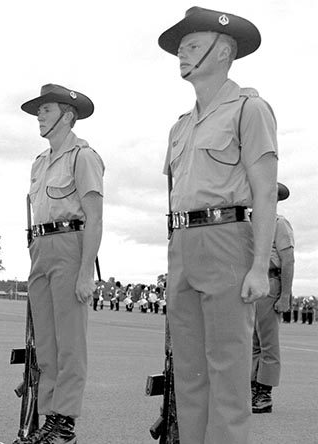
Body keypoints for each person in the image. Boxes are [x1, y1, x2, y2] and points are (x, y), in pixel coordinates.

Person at [159, 7, 278, 443]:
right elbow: (175, 195)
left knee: (227, 370)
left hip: (228, 241)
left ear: (223, 51)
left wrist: (259, 266)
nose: (182, 54)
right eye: (181, 48)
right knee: (189, 372)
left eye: (191, 46)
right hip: (183, 244)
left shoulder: (250, 109)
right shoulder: (180, 127)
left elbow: (265, 193)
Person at [16, 83, 103, 444]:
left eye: (46, 110)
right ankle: (49, 418)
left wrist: (86, 271)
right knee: (47, 343)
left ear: (67, 116)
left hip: (70, 246)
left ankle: (64, 421)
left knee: (69, 342)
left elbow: (95, 218)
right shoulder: (39, 162)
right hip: (40, 247)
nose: (39, 115)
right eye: (39, 110)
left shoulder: (83, 157)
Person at [251, 182, 294, 414]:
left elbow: (288, 261)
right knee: (252, 343)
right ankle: (252, 387)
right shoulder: (251, 223)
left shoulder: (280, 224)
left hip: (270, 283)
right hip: (252, 285)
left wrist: (285, 295)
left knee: (268, 343)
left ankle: (264, 393)